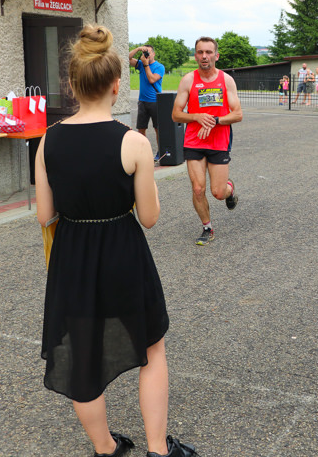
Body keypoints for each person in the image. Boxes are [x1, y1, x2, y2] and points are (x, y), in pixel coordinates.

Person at [35, 25, 199, 457]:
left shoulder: (49, 139)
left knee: (82, 357)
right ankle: (158, 451)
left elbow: (44, 214)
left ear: (71, 84)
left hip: (73, 256)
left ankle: (106, 449)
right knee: (151, 347)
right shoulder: (133, 142)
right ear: (115, 86)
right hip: (123, 253)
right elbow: (149, 218)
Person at [172, 36, 243, 245]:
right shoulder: (188, 80)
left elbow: (237, 114)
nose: (204, 56)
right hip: (194, 140)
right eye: (200, 52)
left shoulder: (226, 80)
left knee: (218, 192)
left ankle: (229, 189)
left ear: (216, 56)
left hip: (219, 141)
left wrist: (215, 120)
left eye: (209, 52)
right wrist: (196, 116)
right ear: (195, 56)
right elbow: (176, 114)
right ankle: (207, 227)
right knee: (198, 188)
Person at [129, 44, 165, 161]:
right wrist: (138, 49)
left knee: (157, 128)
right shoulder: (140, 63)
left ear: (153, 54)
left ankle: (160, 152)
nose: (146, 55)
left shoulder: (159, 67)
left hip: (155, 101)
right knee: (141, 129)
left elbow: (151, 79)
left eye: (148, 53)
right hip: (142, 101)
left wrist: (145, 64)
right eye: (145, 53)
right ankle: (144, 152)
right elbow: (127, 58)